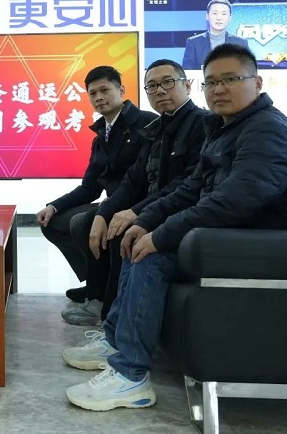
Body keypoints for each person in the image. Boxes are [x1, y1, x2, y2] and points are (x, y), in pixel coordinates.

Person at [62, 43, 287, 412]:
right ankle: (117, 341)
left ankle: (130, 377)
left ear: (257, 82)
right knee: (136, 242)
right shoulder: (225, 128)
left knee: (150, 256)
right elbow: (192, 187)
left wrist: (162, 233)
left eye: (231, 79)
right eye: (212, 82)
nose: (219, 89)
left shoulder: (267, 130)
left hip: (262, 245)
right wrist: (145, 221)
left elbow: (233, 201)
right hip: (229, 235)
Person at [62, 59, 207, 326]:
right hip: (154, 206)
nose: (159, 90)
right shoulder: (158, 128)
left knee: (121, 232)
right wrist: (104, 213)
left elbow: (187, 184)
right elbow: (133, 181)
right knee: (95, 222)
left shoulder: (203, 124)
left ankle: (110, 320)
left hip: (182, 211)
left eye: (167, 83)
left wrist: (136, 212)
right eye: (152, 86)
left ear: (188, 85)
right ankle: (102, 304)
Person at [36, 66, 156, 307]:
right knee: (53, 222)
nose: (99, 97)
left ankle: (100, 295)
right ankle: (95, 281)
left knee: (83, 222)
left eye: (105, 90)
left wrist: (106, 210)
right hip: (110, 204)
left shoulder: (146, 123)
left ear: (121, 90)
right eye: (93, 93)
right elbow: (89, 188)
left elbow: (142, 180)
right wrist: (53, 206)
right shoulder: (101, 135)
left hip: (136, 204)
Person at [182, 0, 250, 70]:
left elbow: (248, 70)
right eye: (215, 13)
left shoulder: (240, 43)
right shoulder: (194, 43)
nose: (219, 18)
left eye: (223, 14)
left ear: (230, 18)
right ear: (207, 16)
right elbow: (188, 72)